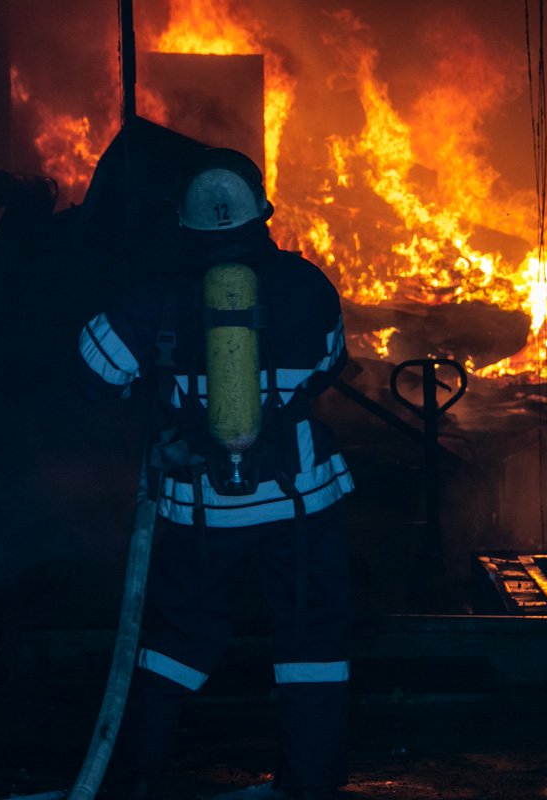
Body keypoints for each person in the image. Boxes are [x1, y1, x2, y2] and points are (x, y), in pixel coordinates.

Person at [78, 147, 356, 800]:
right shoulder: (306, 284)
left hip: (203, 512)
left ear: (185, 222)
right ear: (262, 214)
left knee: (176, 640)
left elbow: (92, 373)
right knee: (312, 646)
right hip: (302, 504)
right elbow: (328, 364)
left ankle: (134, 780)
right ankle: (309, 785)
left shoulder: (155, 296)